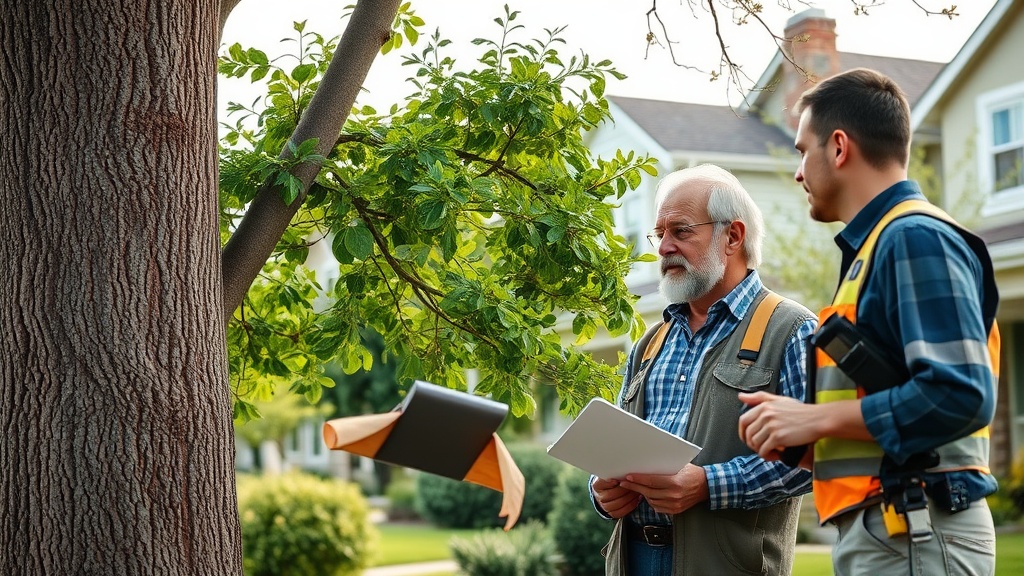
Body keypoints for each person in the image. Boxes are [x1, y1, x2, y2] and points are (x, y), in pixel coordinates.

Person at [738, 67, 1001, 576]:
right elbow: (899, 422)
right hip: (893, 530)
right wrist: (802, 441)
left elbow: (961, 392)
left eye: (801, 151)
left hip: (917, 528)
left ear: (838, 148)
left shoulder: (914, 238)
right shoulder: (880, 247)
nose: (797, 172)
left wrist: (815, 418)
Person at [591, 164, 816, 576]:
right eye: (660, 234)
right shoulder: (649, 343)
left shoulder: (793, 330)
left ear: (732, 236)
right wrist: (602, 491)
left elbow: (815, 458)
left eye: (681, 231)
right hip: (631, 560)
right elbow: (618, 448)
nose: (663, 248)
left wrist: (709, 485)